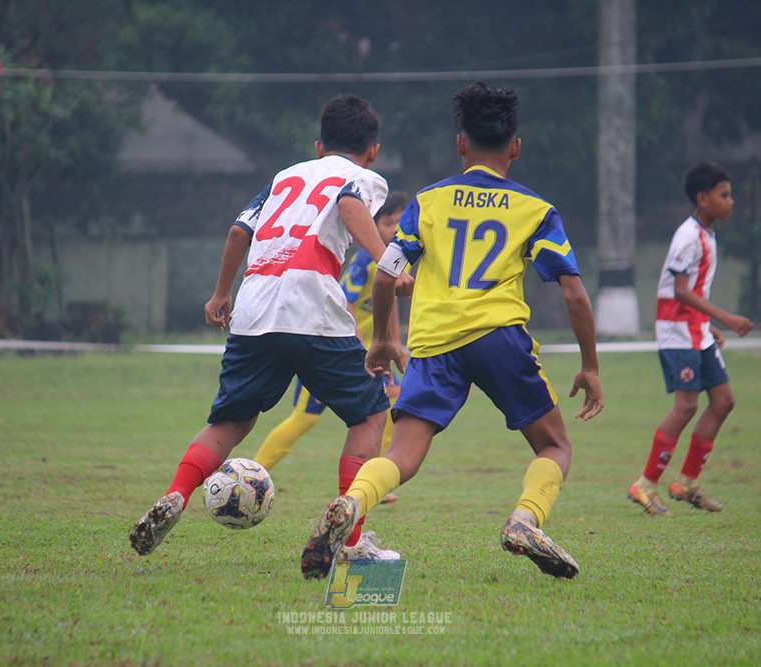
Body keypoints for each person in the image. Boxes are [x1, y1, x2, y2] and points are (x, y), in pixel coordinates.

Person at [300, 82, 604, 581]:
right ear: (515, 148)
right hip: (499, 337)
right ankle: (526, 519)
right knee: (554, 446)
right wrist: (590, 366)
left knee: (403, 454)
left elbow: (385, 272)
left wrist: (382, 339)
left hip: (433, 343)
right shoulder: (536, 210)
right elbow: (573, 292)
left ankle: (352, 504)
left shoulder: (427, 201)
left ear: (460, 144)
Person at [129, 94, 400, 561]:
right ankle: (351, 541)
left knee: (230, 420)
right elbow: (353, 205)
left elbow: (239, 232)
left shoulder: (284, 177)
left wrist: (220, 294)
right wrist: (389, 261)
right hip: (311, 304)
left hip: (254, 306)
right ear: (372, 150)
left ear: (318, 146)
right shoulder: (363, 177)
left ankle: (177, 493)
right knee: (370, 414)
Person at [252, 193, 412, 505]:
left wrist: (393, 342)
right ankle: (252, 474)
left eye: (399, 223)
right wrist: (357, 343)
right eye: (387, 222)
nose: (394, 229)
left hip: (372, 355)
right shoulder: (367, 259)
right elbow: (344, 300)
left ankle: (371, 481)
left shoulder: (393, 258)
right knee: (304, 419)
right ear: (371, 225)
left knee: (392, 407)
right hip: (340, 348)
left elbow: (388, 299)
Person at [626, 160, 753, 516]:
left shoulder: (707, 234)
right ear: (702, 198)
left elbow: (688, 291)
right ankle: (645, 485)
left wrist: (707, 325)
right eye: (724, 195)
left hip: (695, 331)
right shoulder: (688, 236)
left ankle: (686, 483)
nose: (731, 201)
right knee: (685, 407)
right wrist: (724, 317)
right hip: (676, 332)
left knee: (724, 401)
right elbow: (680, 291)